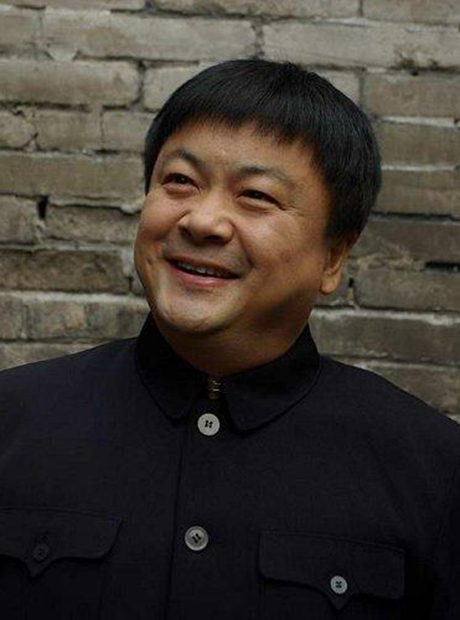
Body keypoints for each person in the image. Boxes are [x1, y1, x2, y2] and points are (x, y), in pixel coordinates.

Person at [0, 58, 458, 619]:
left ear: (333, 256)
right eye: (180, 182)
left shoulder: (433, 470)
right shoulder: (13, 420)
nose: (202, 221)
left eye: (256, 196)